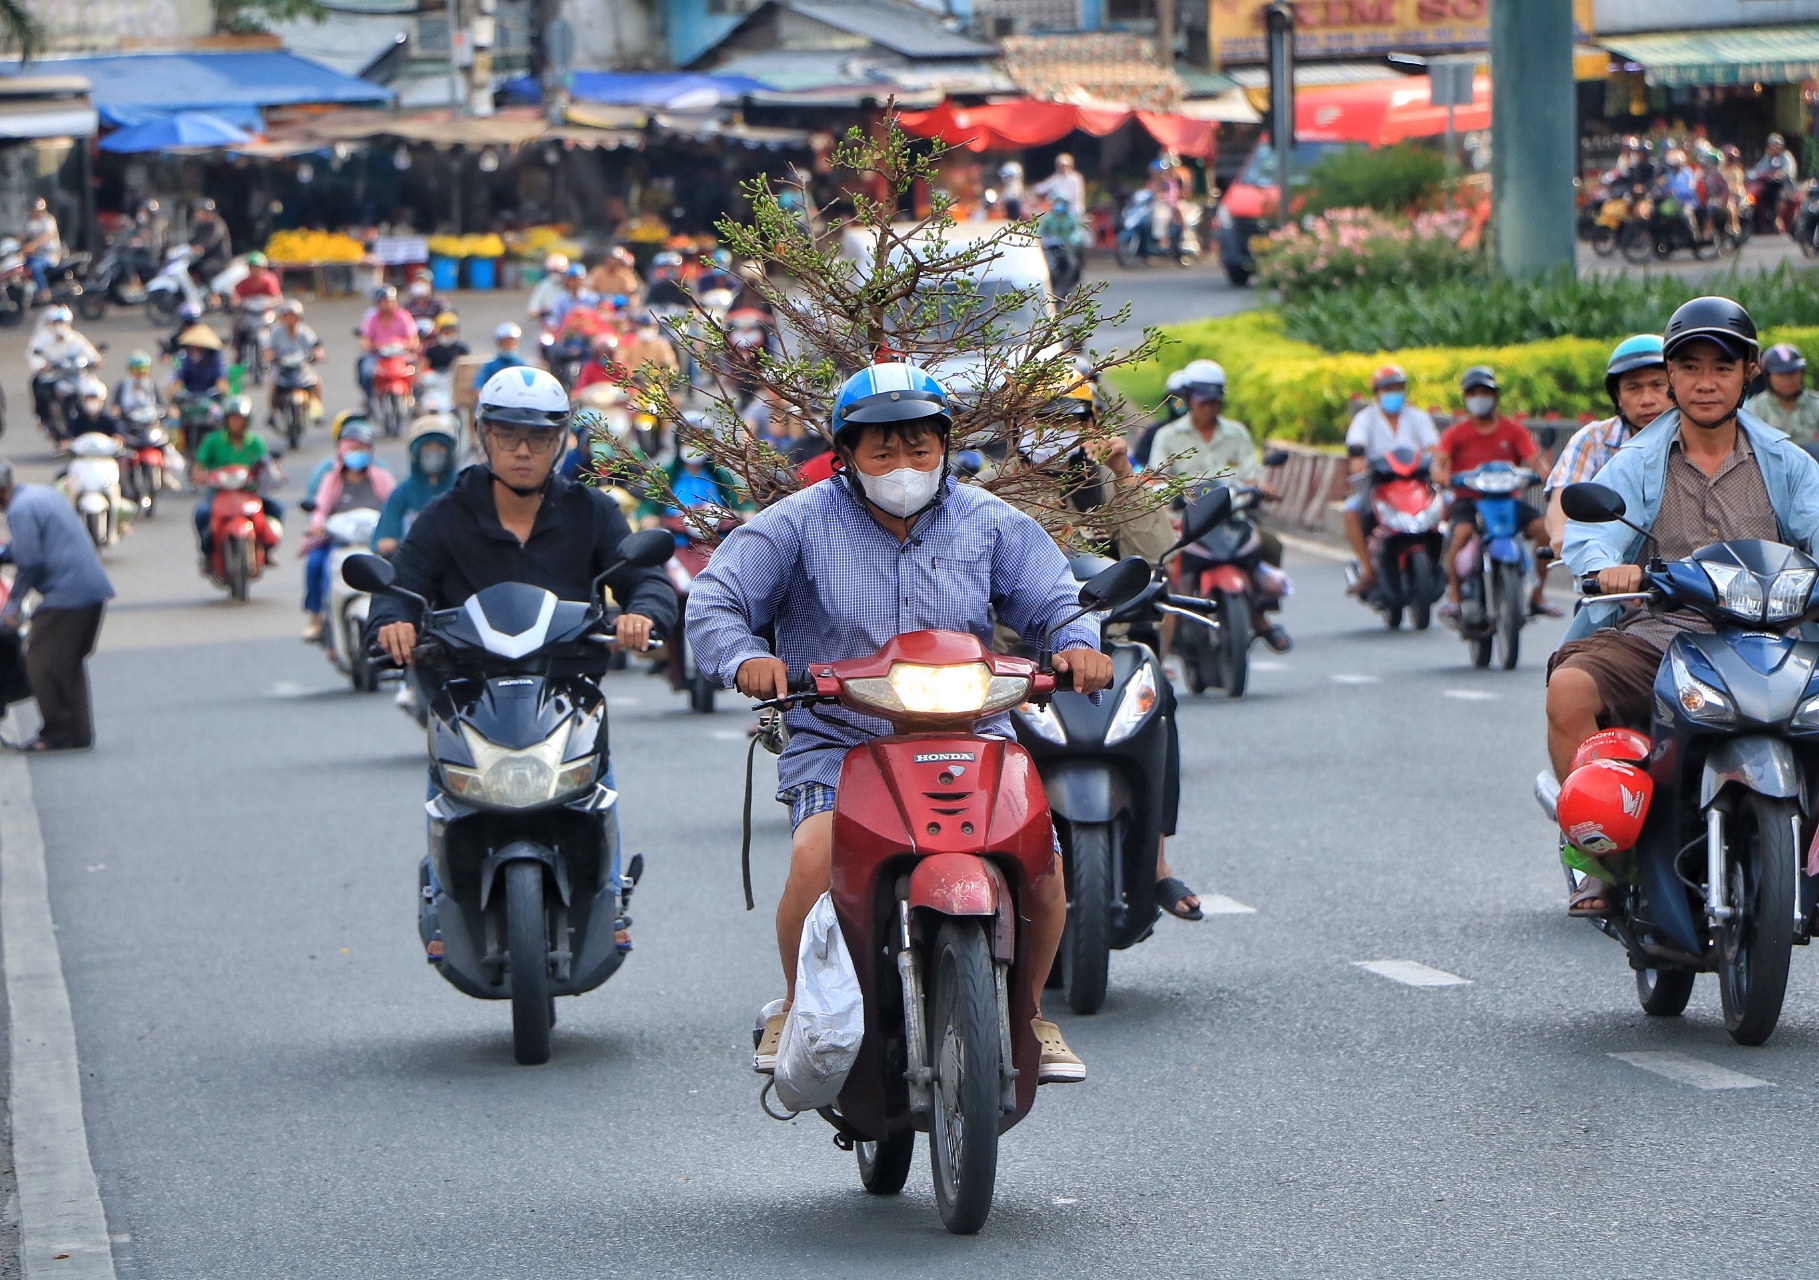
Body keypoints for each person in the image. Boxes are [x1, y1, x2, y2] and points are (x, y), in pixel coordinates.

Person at [686, 361, 1114, 1085]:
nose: (903, 465)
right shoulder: (795, 524)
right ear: (846, 454)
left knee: (1042, 868)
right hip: (839, 736)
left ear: (945, 446)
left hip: (973, 732)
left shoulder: (989, 521)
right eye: (881, 450)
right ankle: (795, 1005)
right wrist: (745, 659)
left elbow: (1057, 599)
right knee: (816, 857)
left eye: (919, 447)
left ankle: (1030, 1013)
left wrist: (1077, 645)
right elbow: (715, 602)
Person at [370, 368, 677, 954]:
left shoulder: (592, 511)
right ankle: (443, 898)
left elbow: (645, 576)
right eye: (507, 434)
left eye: (539, 437)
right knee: (446, 788)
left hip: (567, 691)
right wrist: (393, 623)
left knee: (597, 784)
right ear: (482, 435)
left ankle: (609, 896)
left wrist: (644, 614)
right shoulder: (444, 515)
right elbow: (400, 586)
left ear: (561, 441)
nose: (522, 450)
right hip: (465, 694)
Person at [1551, 296, 1819, 915]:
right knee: (1570, 690)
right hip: (1660, 631)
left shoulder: (1786, 462)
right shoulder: (1635, 461)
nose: (1706, 382)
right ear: (1669, 374)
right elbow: (1590, 535)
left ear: (1748, 371)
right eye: (1690, 366)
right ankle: (1598, 859)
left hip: (1776, 635)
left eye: (1722, 367)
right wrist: (1604, 569)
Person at [1146, 361, 1291, 653]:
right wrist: (1163, 491)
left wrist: (1261, 488)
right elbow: (1154, 477)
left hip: (1231, 518)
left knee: (1270, 544)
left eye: (1214, 401)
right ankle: (1165, 630)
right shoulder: (1168, 436)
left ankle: (1258, 613)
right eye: (1203, 401)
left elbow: (1252, 473)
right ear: (1189, 400)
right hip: (1186, 522)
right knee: (1164, 564)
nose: (1209, 408)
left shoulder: (1236, 433)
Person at [0, 458, 113, 751]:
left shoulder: (19, 510)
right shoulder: (43, 495)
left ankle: (56, 733)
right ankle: (79, 733)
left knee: (40, 661)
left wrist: (12, 608)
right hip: (92, 590)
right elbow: (30, 547)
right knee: (68, 662)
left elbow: (30, 562)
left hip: (67, 595)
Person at [1431, 366, 1556, 620]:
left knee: (1546, 531)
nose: (1479, 397)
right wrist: (1440, 474)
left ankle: (1538, 594)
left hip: (1507, 500)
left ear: (1495, 396)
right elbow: (1439, 461)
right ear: (1466, 398)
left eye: (1485, 392)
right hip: (1469, 500)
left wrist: (1547, 475)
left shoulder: (1513, 430)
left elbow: (1534, 459)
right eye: (1473, 393)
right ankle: (1454, 597)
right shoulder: (1456, 433)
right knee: (1461, 534)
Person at [1543, 335, 1671, 558]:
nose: (1647, 399)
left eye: (1657, 385)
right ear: (1618, 397)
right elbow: (1564, 492)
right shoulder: (1592, 439)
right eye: (1633, 388)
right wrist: (1560, 534)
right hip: (1604, 577)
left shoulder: (1694, 436)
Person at [1342, 364, 1439, 597]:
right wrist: (1359, 460)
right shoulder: (1365, 419)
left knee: (1448, 506)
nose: (1394, 393)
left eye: (1398, 387)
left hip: (1415, 485)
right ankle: (1368, 569)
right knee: (1351, 511)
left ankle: (1446, 564)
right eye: (1388, 388)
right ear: (1377, 393)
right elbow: (1357, 448)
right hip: (1380, 485)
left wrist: (1437, 463)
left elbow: (1434, 447)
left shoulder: (1418, 417)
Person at [301, 420, 395, 641]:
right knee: (316, 564)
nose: (357, 454)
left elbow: (394, 506)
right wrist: (317, 526)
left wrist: (393, 531)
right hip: (339, 542)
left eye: (362, 449)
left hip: (374, 541)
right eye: (352, 448)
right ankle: (316, 618)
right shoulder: (331, 479)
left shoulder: (381, 477)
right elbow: (320, 508)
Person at [192, 395, 283, 560]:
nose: (236, 423)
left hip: (249, 492)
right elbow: (199, 464)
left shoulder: (256, 442)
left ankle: (267, 549)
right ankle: (208, 552)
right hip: (220, 492)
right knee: (202, 514)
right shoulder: (213, 441)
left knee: (276, 508)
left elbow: (265, 464)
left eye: (240, 419)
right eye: (233, 418)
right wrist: (198, 475)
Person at [374, 416, 457, 556]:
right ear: (415, 452)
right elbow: (384, 536)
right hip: (412, 567)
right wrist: (387, 543)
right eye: (427, 448)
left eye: (440, 447)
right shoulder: (401, 494)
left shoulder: (463, 488)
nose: (434, 452)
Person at [28, 306, 101, 434]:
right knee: (40, 391)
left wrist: (96, 360)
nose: (60, 326)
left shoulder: (76, 339)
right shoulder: (44, 339)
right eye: (57, 323)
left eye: (63, 323)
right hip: (54, 376)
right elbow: (34, 355)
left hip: (76, 376)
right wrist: (42, 365)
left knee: (95, 391)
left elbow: (91, 354)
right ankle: (45, 420)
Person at [1744, 342, 1819, 443]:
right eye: (1782, 374)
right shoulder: (1754, 409)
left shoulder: (1816, 405)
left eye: (1793, 372)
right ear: (1768, 376)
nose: (1789, 379)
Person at [265, 299, 323, 427]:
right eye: (287, 316)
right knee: (274, 383)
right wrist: (270, 357)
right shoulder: (276, 333)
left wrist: (318, 355)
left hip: (301, 368)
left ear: (299, 318)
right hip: (282, 368)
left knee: (317, 382)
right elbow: (268, 350)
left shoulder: (305, 332)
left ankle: (317, 413)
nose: (290, 320)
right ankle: (272, 414)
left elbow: (315, 346)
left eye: (293, 316)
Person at [360, 285, 419, 406]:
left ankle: (416, 399)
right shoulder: (372, 319)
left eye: (391, 301)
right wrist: (369, 346)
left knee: (417, 372)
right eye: (385, 301)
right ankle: (369, 398)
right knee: (365, 370)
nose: (389, 304)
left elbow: (413, 337)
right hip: (379, 356)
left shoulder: (404, 316)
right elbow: (365, 339)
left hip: (401, 354)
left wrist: (411, 345)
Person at [1750, 134, 1799, 231]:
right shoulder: (1768, 158)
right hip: (1771, 185)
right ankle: (1765, 219)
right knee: (1763, 193)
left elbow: (1789, 171)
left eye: (1774, 145)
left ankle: (1778, 218)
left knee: (1780, 195)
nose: (1771, 148)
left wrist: (1779, 174)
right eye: (1770, 145)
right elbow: (1759, 169)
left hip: (1786, 185)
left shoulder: (1786, 156)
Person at [21, 197, 61, 301]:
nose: (34, 212)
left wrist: (32, 245)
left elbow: (44, 237)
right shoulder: (32, 222)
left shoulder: (48, 220)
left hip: (49, 255)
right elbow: (24, 236)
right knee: (20, 266)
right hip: (36, 254)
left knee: (35, 267)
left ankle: (44, 292)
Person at [1033, 152, 1088, 222]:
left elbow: (1077, 196)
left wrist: (1063, 198)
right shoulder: (1055, 178)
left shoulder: (1076, 178)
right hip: (1058, 208)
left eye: (1065, 165)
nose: (1063, 168)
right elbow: (1042, 187)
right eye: (1061, 165)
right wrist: (1033, 189)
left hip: (1073, 209)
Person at [187, 198, 232, 283]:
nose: (196, 214)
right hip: (205, 257)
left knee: (204, 268)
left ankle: (211, 292)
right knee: (190, 267)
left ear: (205, 212)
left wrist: (201, 248)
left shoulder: (217, 224)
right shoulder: (202, 225)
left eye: (198, 211)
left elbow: (211, 240)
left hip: (219, 259)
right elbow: (195, 240)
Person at [111, 350, 163, 421]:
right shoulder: (122, 386)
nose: (140, 375)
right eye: (136, 371)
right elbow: (115, 406)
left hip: (149, 423)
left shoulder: (152, 386)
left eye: (144, 371)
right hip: (127, 423)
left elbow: (160, 405)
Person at [477, 322, 525, 388]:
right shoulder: (490, 366)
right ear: (499, 344)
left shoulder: (522, 365)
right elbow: (478, 386)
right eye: (505, 342)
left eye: (511, 342)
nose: (508, 345)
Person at [526, 252, 570, 322]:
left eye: (558, 272)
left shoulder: (570, 286)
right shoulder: (544, 286)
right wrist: (545, 312)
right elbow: (532, 310)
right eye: (552, 271)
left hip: (568, 324)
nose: (555, 275)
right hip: (549, 325)